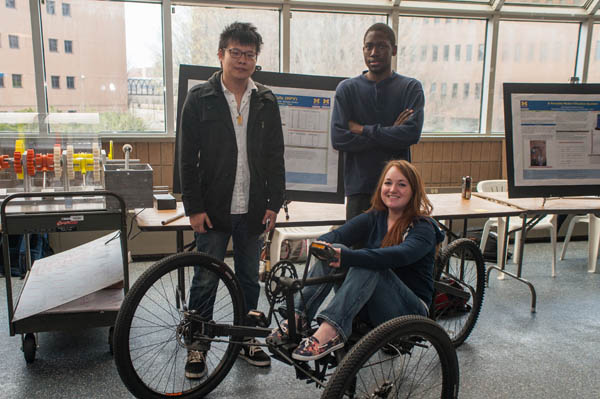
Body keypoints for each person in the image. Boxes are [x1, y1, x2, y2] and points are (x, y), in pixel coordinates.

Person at [179, 22, 285, 377]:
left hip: (253, 208)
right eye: (235, 53)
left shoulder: (266, 100)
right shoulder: (199, 98)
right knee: (206, 278)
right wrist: (193, 208)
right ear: (221, 55)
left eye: (249, 54)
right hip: (212, 209)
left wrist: (274, 202)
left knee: (248, 279)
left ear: (256, 59)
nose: (242, 60)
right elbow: (186, 158)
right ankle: (198, 345)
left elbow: (275, 156)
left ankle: (245, 339)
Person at [268, 160, 444, 361]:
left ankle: (331, 330)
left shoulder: (423, 227)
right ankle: (299, 318)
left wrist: (347, 257)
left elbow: (401, 255)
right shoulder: (375, 217)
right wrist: (325, 247)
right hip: (372, 302)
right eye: (388, 183)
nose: (393, 189)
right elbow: (338, 235)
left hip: (410, 311)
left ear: (414, 191)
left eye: (402, 184)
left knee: (369, 263)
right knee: (338, 250)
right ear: (381, 187)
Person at [331, 23, 424, 221]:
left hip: (397, 189)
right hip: (359, 189)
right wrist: (391, 133)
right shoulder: (347, 89)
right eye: (369, 46)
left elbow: (411, 134)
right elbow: (339, 138)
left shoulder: (410, 87)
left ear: (394, 50)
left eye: (381, 46)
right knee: (357, 249)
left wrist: (363, 130)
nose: (374, 52)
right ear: (363, 49)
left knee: (395, 248)